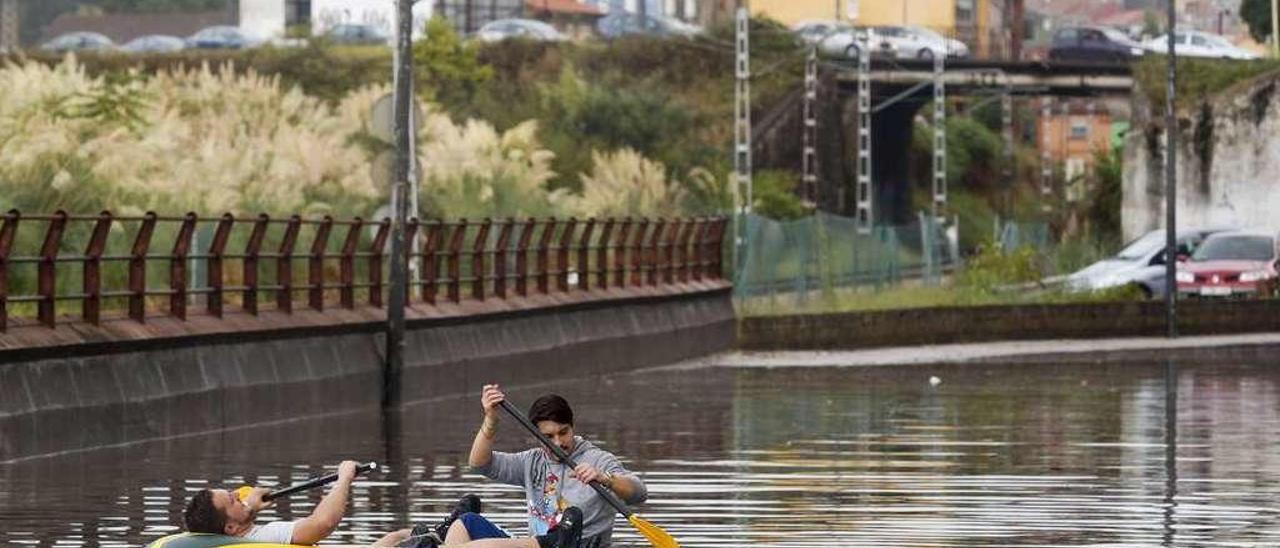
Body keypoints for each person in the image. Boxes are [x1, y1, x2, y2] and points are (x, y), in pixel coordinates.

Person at [418, 385, 646, 548]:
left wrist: (607, 479)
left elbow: (638, 493)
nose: (558, 443)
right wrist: (490, 420)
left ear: (572, 426)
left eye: (563, 432)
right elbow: (479, 464)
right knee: (466, 523)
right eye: (549, 436)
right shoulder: (532, 461)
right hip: (537, 544)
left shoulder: (598, 460)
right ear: (536, 436)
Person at [182, 459, 410, 546]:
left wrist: (249, 509)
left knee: (396, 536)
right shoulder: (265, 537)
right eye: (234, 500)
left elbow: (240, 515)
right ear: (230, 527)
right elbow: (324, 523)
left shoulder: (232, 536)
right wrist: (344, 479)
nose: (240, 497)